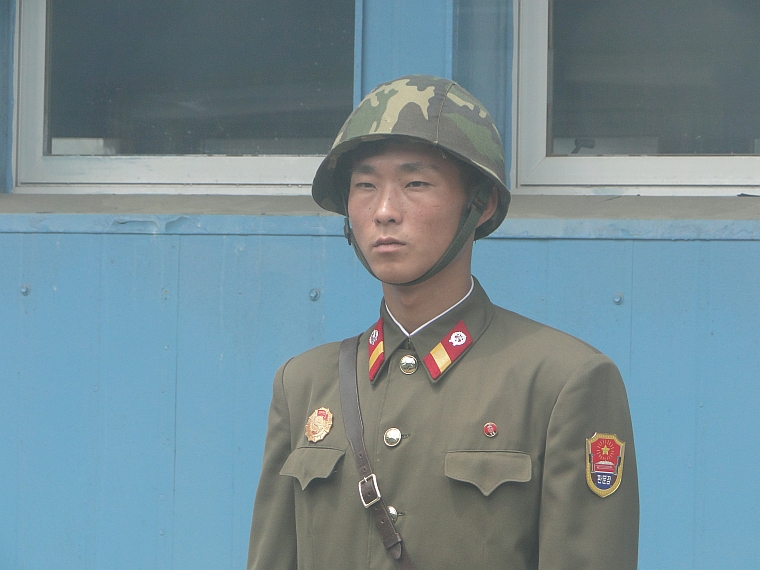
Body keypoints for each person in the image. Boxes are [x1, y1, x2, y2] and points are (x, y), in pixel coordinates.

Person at [247, 75, 639, 570]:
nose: (384, 211)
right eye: (365, 185)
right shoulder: (303, 384)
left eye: (415, 184)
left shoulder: (561, 381)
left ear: (481, 203)